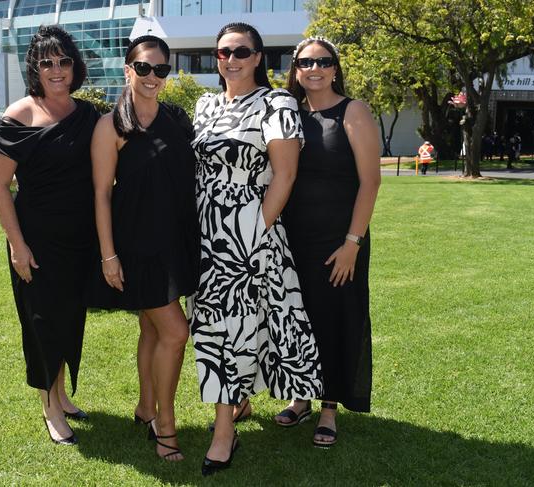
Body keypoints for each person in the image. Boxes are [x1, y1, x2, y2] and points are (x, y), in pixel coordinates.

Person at [189, 22, 322, 476]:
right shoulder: (204, 105)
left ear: (259, 56)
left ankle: (223, 433)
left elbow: (284, 176)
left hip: (250, 235)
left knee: (231, 329)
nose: (231, 59)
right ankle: (238, 403)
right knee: (217, 326)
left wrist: (250, 234)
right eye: (223, 52)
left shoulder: (277, 103)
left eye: (241, 51)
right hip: (206, 234)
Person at [86, 35, 198, 462]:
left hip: (176, 241)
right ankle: (165, 428)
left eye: (162, 69)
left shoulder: (177, 118)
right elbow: (101, 195)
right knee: (175, 331)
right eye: (145, 68)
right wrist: (108, 255)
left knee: (152, 329)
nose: (153, 77)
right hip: (136, 247)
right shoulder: (110, 125)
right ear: (128, 70)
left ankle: (144, 407)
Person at [0, 25, 100, 446]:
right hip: (34, 240)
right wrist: (18, 245)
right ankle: (49, 406)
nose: (56, 70)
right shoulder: (18, 116)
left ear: (75, 67)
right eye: (46, 62)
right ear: (35, 68)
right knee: (40, 323)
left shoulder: (87, 115)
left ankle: (62, 394)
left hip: (79, 240)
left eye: (63, 61)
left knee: (70, 320)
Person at [278, 36, 380, 448]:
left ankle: (328, 408)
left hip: (341, 240)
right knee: (300, 318)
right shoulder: (287, 114)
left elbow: (370, 181)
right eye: (306, 62)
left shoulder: (352, 111)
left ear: (335, 68)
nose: (314, 69)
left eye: (323, 61)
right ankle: (300, 395)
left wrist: (352, 242)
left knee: (336, 319)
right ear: (296, 71)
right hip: (293, 239)